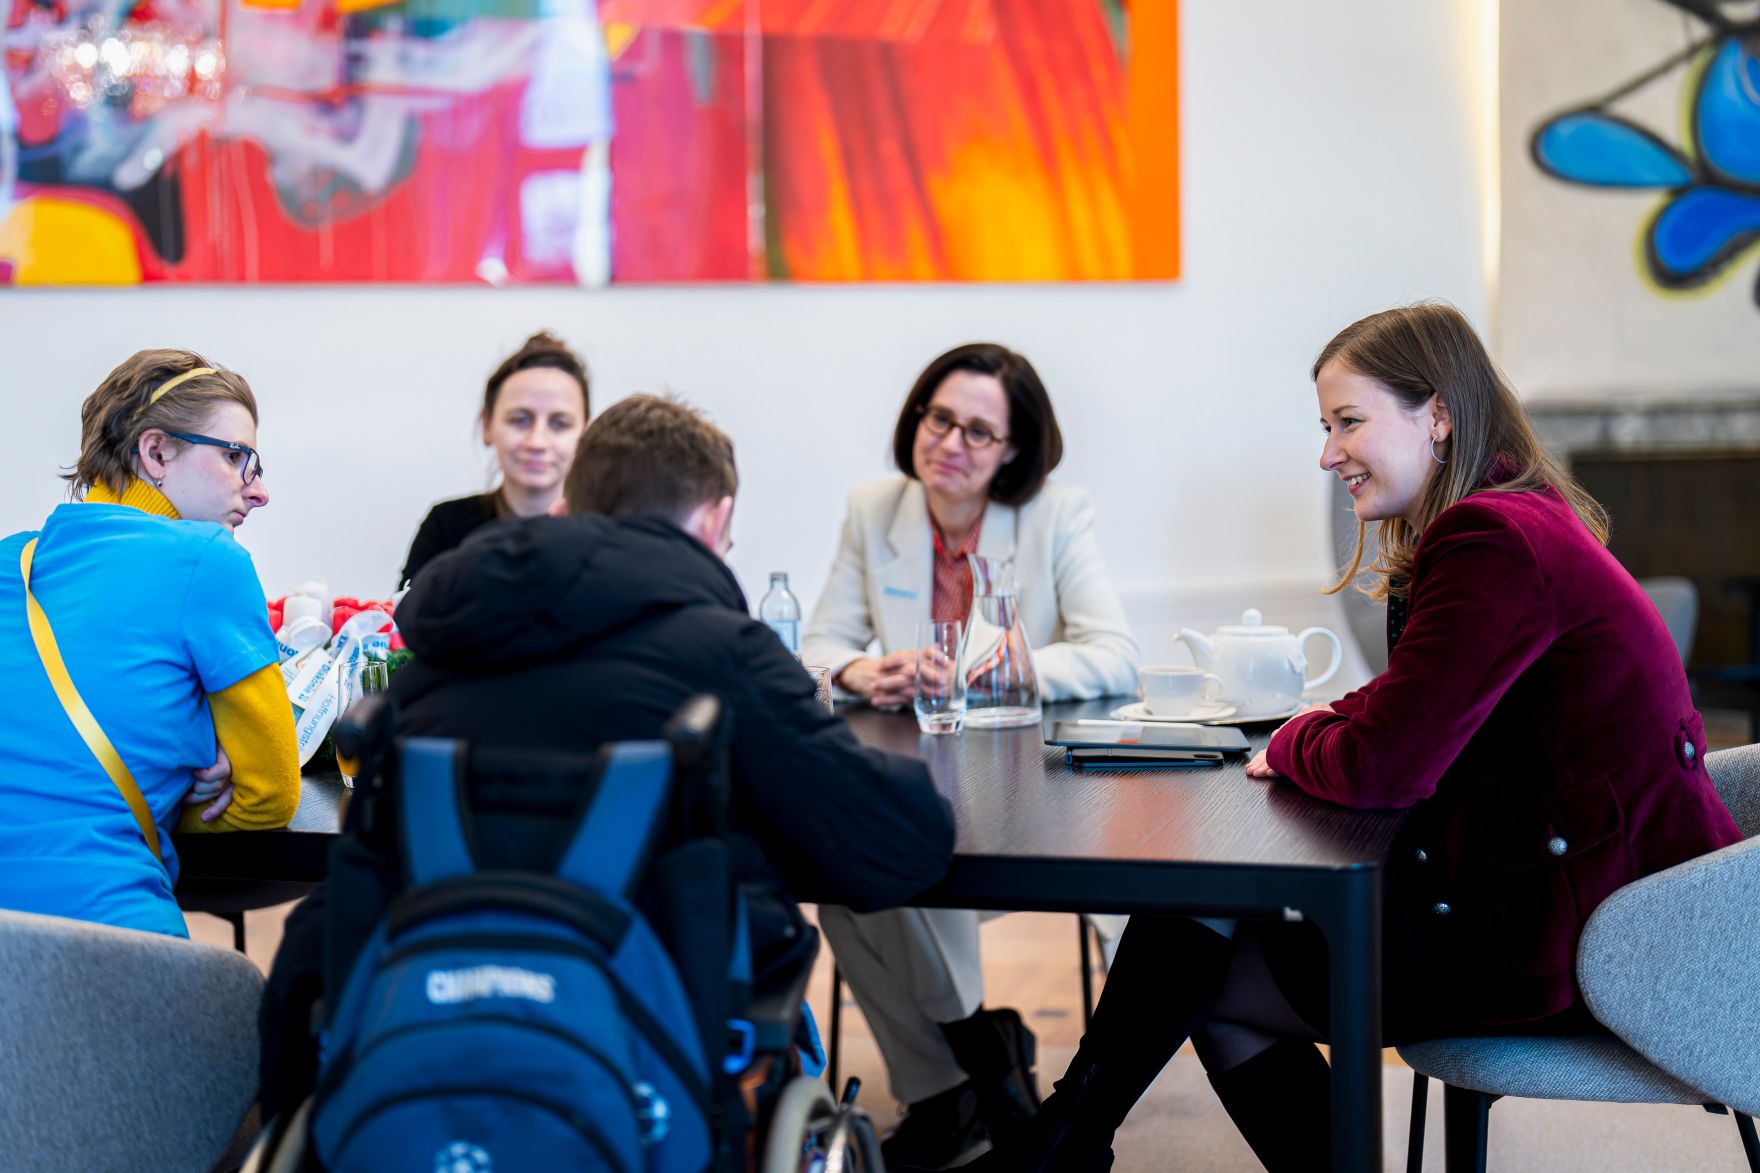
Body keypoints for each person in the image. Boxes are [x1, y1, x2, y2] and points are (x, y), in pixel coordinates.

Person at [960, 303, 1745, 1172]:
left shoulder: (1490, 538)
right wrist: (1326, 723)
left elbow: (1385, 764)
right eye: (1326, 426)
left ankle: (1060, 1143)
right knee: (1204, 923)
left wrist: (1298, 739)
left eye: (1349, 421)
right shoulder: (1516, 515)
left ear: (1437, 414)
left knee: (1209, 968)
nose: (1329, 452)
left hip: (1578, 938)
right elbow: (1409, 703)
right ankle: (1063, 1142)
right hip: (1580, 893)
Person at [260, 393, 957, 1132]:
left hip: (418, 994)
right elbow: (896, 844)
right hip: (654, 1024)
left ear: (571, 505)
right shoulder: (727, 653)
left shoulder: (446, 640)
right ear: (717, 519)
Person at [801, 342, 1139, 1168]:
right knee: (846, 884)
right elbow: (820, 645)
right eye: (939, 417)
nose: (950, 442)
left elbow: (1116, 654)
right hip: (926, 783)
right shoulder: (873, 507)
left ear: (1014, 449)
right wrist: (857, 669)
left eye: (979, 431)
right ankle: (967, 1075)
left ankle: (962, 1082)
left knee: (893, 864)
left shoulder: (1058, 515)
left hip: (1032, 801)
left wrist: (1006, 667)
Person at [0, 350, 300, 938]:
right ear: (157, 451)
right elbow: (271, 795)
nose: (258, 491)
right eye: (237, 457)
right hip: (109, 937)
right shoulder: (209, 560)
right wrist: (174, 795)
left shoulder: (9, 560)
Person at [398, 330, 589, 587]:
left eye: (559, 423)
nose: (537, 442)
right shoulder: (447, 526)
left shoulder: (607, 535)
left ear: (586, 434)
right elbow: (406, 620)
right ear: (487, 426)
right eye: (520, 420)